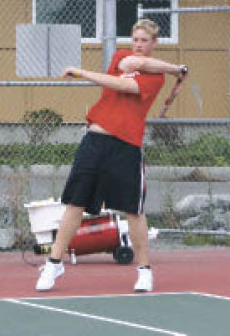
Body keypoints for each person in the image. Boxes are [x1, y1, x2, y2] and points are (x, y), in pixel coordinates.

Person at [36, 19, 188, 292]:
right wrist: (177, 68)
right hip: (94, 141)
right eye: (136, 39)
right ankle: (54, 263)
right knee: (74, 203)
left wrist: (82, 72)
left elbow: (126, 86)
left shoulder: (156, 77)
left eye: (145, 41)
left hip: (126, 146)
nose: (139, 45)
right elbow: (131, 65)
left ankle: (144, 271)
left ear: (154, 44)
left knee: (133, 211)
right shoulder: (121, 57)